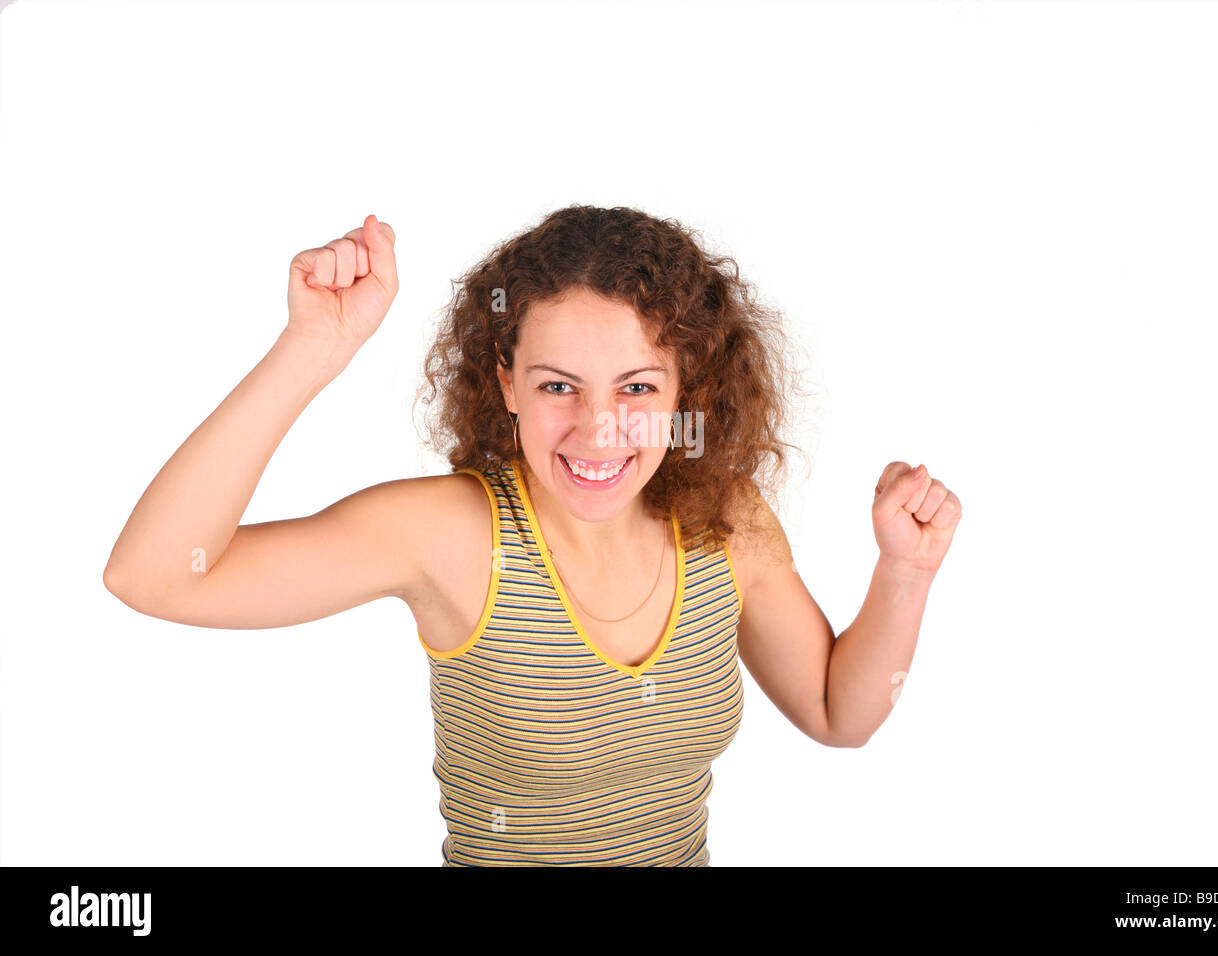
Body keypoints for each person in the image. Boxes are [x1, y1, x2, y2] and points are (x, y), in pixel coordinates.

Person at [103, 204, 963, 866]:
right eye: (558, 387)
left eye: (635, 389)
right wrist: (311, 348)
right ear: (506, 381)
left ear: (685, 389)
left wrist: (906, 572)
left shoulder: (728, 521)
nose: (596, 431)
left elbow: (837, 713)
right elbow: (157, 577)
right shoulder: (451, 536)